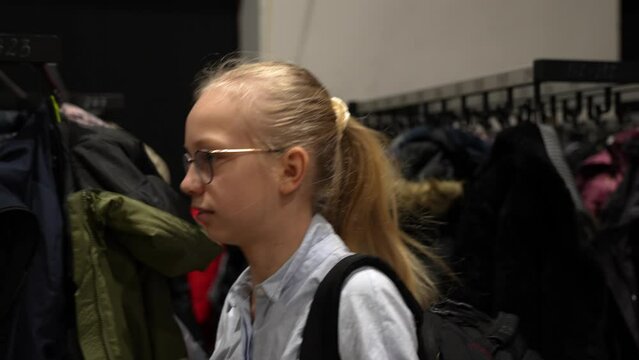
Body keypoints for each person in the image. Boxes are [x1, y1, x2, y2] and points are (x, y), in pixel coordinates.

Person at [180, 60, 448, 359]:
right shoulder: (242, 299)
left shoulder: (359, 297)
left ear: (290, 170)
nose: (188, 183)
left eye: (210, 159)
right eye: (190, 160)